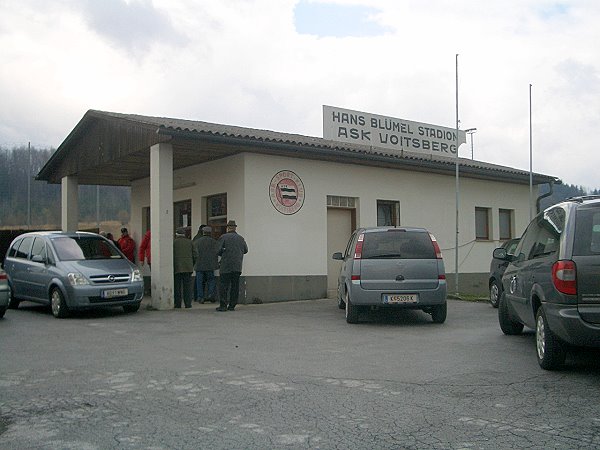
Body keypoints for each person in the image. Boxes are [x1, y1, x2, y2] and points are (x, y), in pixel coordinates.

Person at [216, 220, 248, 311]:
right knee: (235, 286)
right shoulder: (241, 238)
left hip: (226, 266)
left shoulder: (223, 237)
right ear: (235, 228)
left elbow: (218, 250)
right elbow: (246, 250)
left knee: (224, 286)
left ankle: (223, 306)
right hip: (237, 266)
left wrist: (223, 251)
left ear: (228, 228)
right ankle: (232, 305)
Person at [193, 226, 219, 303]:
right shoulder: (214, 242)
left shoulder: (197, 242)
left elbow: (194, 253)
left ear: (203, 232)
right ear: (210, 233)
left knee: (199, 282)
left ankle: (200, 297)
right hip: (210, 265)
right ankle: (211, 294)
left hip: (199, 265)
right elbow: (218, 251)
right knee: (211, 280)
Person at [173, 227, 194, 308]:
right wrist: (191, 263)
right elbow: (195, 254)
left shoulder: (174, 243)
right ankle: (188, 304)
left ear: (176, 234)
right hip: (188, 267)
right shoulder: (190, 242)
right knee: (187, 287)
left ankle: (177, 304)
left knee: (177, 287)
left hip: (177, 268)